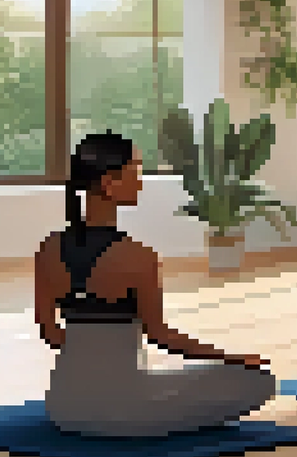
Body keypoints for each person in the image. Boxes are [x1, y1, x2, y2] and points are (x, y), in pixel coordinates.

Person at [34, 132, 276, 438]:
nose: (141, 181)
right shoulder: (138, 256)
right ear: (109, 182)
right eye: (136, 170)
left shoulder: (48, 249)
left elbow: (50, 332)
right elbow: (160, 335)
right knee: (258, 381)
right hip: (125, 410)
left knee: (165, 383)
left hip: (64, 408)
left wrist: (91, 356)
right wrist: (233, 357)